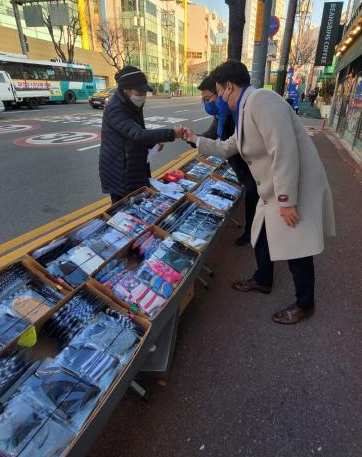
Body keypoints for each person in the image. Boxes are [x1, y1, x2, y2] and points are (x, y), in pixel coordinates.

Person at [184, 60, 335, 325]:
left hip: (292, 186)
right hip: (273, 187)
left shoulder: (262, 100)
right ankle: (263, 279)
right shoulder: (246, 107)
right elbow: (229, 146)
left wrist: (287, 201)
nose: (219, 99)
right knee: (262, 233)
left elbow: (284, 150)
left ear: (229, 87)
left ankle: (305, 304)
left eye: (218, 93)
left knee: (297, 247)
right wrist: (196, 140)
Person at [99, 65, 185, 204]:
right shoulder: (114, 108)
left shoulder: (131, 103)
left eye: (145, 91)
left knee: (139, 204)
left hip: (133, 165)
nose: (143, 95)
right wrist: (173, 133)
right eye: (140, 91)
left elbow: (134, 133)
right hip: (119, 170)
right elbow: (138, 134)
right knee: (122, 208)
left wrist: (152, 144)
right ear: (126, 89)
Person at [197, 75, 259, 246]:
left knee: (253, 200)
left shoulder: (236, 113)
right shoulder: (221, 115)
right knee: (251, 198)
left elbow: (226, 147)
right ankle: (252, 231)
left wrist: (197, 140)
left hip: (250, 167)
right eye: (203, 101)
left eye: (207, 99)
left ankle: (252, 233)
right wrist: (192, 138)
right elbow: (211, 135)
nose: (206, 104)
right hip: (240, 166)